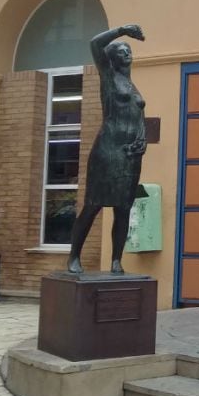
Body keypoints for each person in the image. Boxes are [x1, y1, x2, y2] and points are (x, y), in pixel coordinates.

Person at [67, 24, 147, 275]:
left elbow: (138, 116)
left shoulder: (131, 84)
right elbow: (94, 43)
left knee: (123, 208)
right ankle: (74, 256)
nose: (127, 53)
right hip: (108, 149)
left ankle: (116, 261)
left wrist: (142, 138)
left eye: (129, 49)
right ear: (112, 59)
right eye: (121, 50)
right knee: (93, 205)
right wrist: (122, 31)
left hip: (130, 154)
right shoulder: (109, 76)